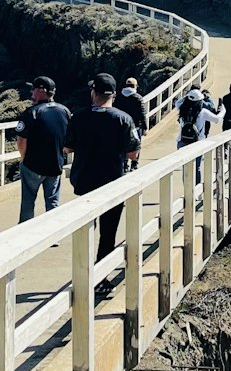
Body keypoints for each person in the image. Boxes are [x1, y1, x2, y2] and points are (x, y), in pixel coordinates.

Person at [66, 72, 141, 258]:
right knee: (108, 232)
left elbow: (67, 148)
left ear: (93, 93)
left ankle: (83, 271)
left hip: (84, 181)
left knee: (85, 230)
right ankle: (102, 276)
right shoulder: (124, 119)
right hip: (113, 181)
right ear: (114, 95)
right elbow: (133, 153)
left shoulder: (78, 118)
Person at [16, 76, 72, 223]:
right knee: (52, 201)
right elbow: (69, 138)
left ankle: (25, 232)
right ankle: (53, 233)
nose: (32, 92)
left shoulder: (31, 113)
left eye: (34, 89)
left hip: (33, 165)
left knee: (28, 201)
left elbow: (21, 140)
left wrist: (24, 159)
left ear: (41, 90)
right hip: (55, 164)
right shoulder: (65, 111)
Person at [116, 76, 148, 163]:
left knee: (123, 144)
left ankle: (125, 164)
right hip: (136, 126)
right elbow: (142, 114)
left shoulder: (119, 97)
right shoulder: (138, 98)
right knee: (136, 144)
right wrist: (145, 127)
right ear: (135, 86)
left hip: (122, 125)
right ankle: (134, 164)